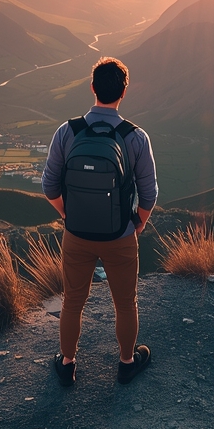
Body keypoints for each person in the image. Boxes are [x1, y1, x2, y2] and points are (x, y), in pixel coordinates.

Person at [41, 56, 157, 386]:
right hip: (120, 235)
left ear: (92, 88)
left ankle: (67, 364)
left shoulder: (68, 131)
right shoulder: (136, 137)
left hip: (76, 235)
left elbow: (49, 185)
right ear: (124, 91)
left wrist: (68, 214)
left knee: (72, 302)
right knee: (125, 303)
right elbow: (149, 194)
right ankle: (126, 363)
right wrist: (137, 223)